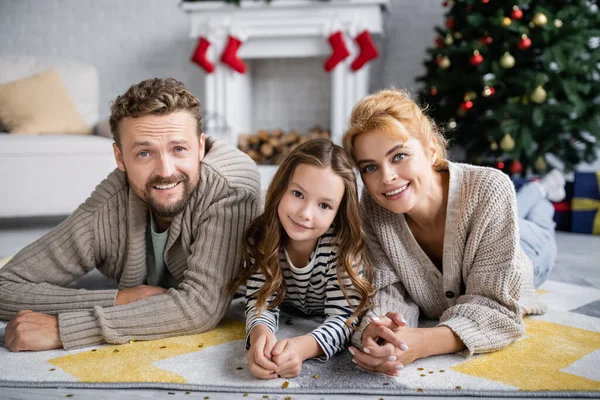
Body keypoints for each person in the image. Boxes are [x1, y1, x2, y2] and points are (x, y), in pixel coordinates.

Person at [0, 78, 261, 352]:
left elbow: (201, 307)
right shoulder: (109, 204)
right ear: (120, 158)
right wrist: (120, 299)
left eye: (179, 149)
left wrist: (63, 329)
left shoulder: (232, 188)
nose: (165, 170)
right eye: (144, 153)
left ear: (200, 147)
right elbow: (5, 286)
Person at [341, 88, 556, 376]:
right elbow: (389, 289)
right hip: (496, 223)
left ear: (431, 150)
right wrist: (383, 330)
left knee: (541, 223)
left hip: (531, 251)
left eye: (399, 156)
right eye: (369, 167)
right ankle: (537, 194)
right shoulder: (372, 207)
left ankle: (543, 193)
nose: (387, 177)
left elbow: (496, 307)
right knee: (524, 209)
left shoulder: (489, 188)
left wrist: (421, 343)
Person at [232, 139, 373, 379]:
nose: (305, 213)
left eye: (324, 205)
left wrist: (303, 347)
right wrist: (259, 334)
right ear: (280, 188)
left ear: (338, 212)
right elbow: (261, 299)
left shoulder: (342, 247)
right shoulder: (264, 236)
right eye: (297, 194)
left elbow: (344, 319)